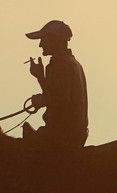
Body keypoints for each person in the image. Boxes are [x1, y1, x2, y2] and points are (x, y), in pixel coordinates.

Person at [23, 20, 88, 151]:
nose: (40, 44)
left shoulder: (61, 64)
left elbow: (61, 100)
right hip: (71, 134)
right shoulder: (71, 63)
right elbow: (56, 95)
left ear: (55, 41)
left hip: (61, 136)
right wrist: (40, 77)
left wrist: (41, 100)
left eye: (44, 40)